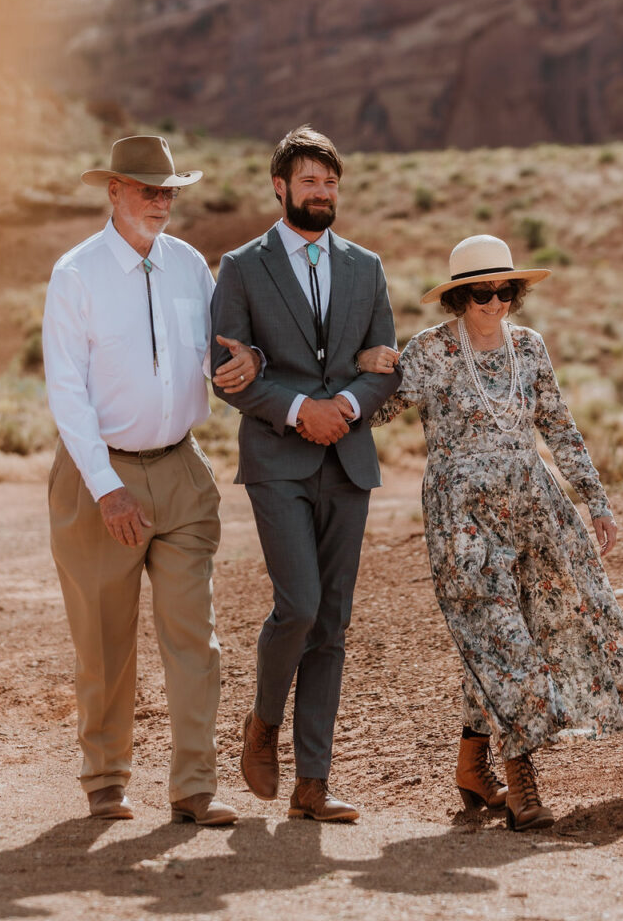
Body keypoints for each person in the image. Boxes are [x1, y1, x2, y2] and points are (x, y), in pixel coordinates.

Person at [362, 233, 623, 831]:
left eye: (505, 292)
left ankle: (473, 766)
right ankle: (520, 777)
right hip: (464, 520)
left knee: (549, 625)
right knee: (500, 639)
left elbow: (560, 426)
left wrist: (596, 501)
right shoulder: (432, 351)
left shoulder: (530, 347)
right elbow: (376, 410)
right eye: (480, 294)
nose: (495, 304)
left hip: (536, 510)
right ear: (458, 298)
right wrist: (366, 366)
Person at [43, 134, 260, 825]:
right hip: (95, 477)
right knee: (104, 640)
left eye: (168, 190)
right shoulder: (74, 275)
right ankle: (106, 779)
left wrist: (241, 364)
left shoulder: (189, 265)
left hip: (180, 470)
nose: (160, 201)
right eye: (146, 189)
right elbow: (67, 391)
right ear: (114, 191)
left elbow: (211, 352)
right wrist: (105, 486)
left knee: (194, 635)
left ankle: (194, 787)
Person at [210, 125, 402, 822]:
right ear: (279, 186)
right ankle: (262, 725)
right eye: (309, 181)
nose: (321, 192)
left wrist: (346, 404)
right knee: (299, 604)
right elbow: (225, 375)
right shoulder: (240, 267)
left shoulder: (365, 267)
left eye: (330, 182)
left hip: (346, 458)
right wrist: (298, 410)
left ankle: (311, 784)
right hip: (277, 461)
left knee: (334, 623)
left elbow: (384, 361)